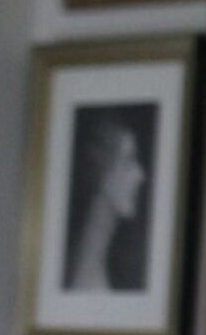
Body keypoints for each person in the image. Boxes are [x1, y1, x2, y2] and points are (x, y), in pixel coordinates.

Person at [63, 113, 149, 293]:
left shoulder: (101, 265)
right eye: (128, 161)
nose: (140, 175)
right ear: (100, 171)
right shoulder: (84, 277)